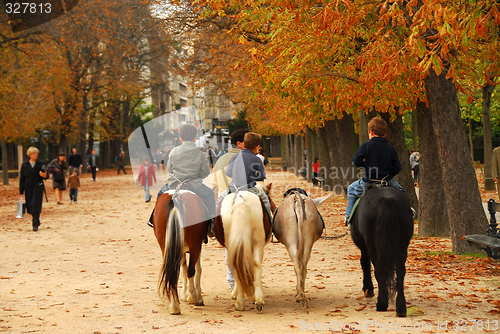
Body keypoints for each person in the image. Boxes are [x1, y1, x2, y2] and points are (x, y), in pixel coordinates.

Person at [344, 117, 406, 226]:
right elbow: (397, 167)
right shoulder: (390, 148)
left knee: (351, 190)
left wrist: (366, 166)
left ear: (371, 132)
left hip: (368, 181)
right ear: (385, 134)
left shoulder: (366, 146)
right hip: (387, 180)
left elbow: (356, 161)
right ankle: (408, 212)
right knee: (402, 193)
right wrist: (388, 175)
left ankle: (348, 217)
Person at [152, 124, 216, 228]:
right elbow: (205, 173)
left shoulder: (173, 151)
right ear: (195, 138)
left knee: (160, 194)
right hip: (194, 185)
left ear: (180, 138)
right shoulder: (199, 153)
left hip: (174, 184)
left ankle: (153, 219)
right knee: (210, 194)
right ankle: (212, 221)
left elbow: (169, 169)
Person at [211, 128, 247, 291]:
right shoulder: (247, 157)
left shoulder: (220, 160)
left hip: (225, 204)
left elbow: (213, 187)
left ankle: (232, 281)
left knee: (228, 243)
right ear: (240, 143)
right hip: (245, 200)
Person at [216, 132, 272, 223]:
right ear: (257, 146)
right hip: (250, 188)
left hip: (233, 188)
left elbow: (228, 172)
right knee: (265, 200)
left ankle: (214, 225)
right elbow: (262, 176)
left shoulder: (234, 157)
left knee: (219, 201)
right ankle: (270, 224)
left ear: (243, 144)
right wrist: (251, 177)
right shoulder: (256, 159)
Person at [20, 147, 48, 231]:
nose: (35, 155)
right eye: (33, 153)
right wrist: (21, 191)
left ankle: (35, 223)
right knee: (30, 204)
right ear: (29, 154)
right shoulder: (25, 164)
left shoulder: (41, 163)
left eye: (36, 153)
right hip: (28, 186)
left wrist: (44, 175)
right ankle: (36, 219)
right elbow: (22, 178)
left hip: (38, 185)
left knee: (36, 203)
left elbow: (46, 175)